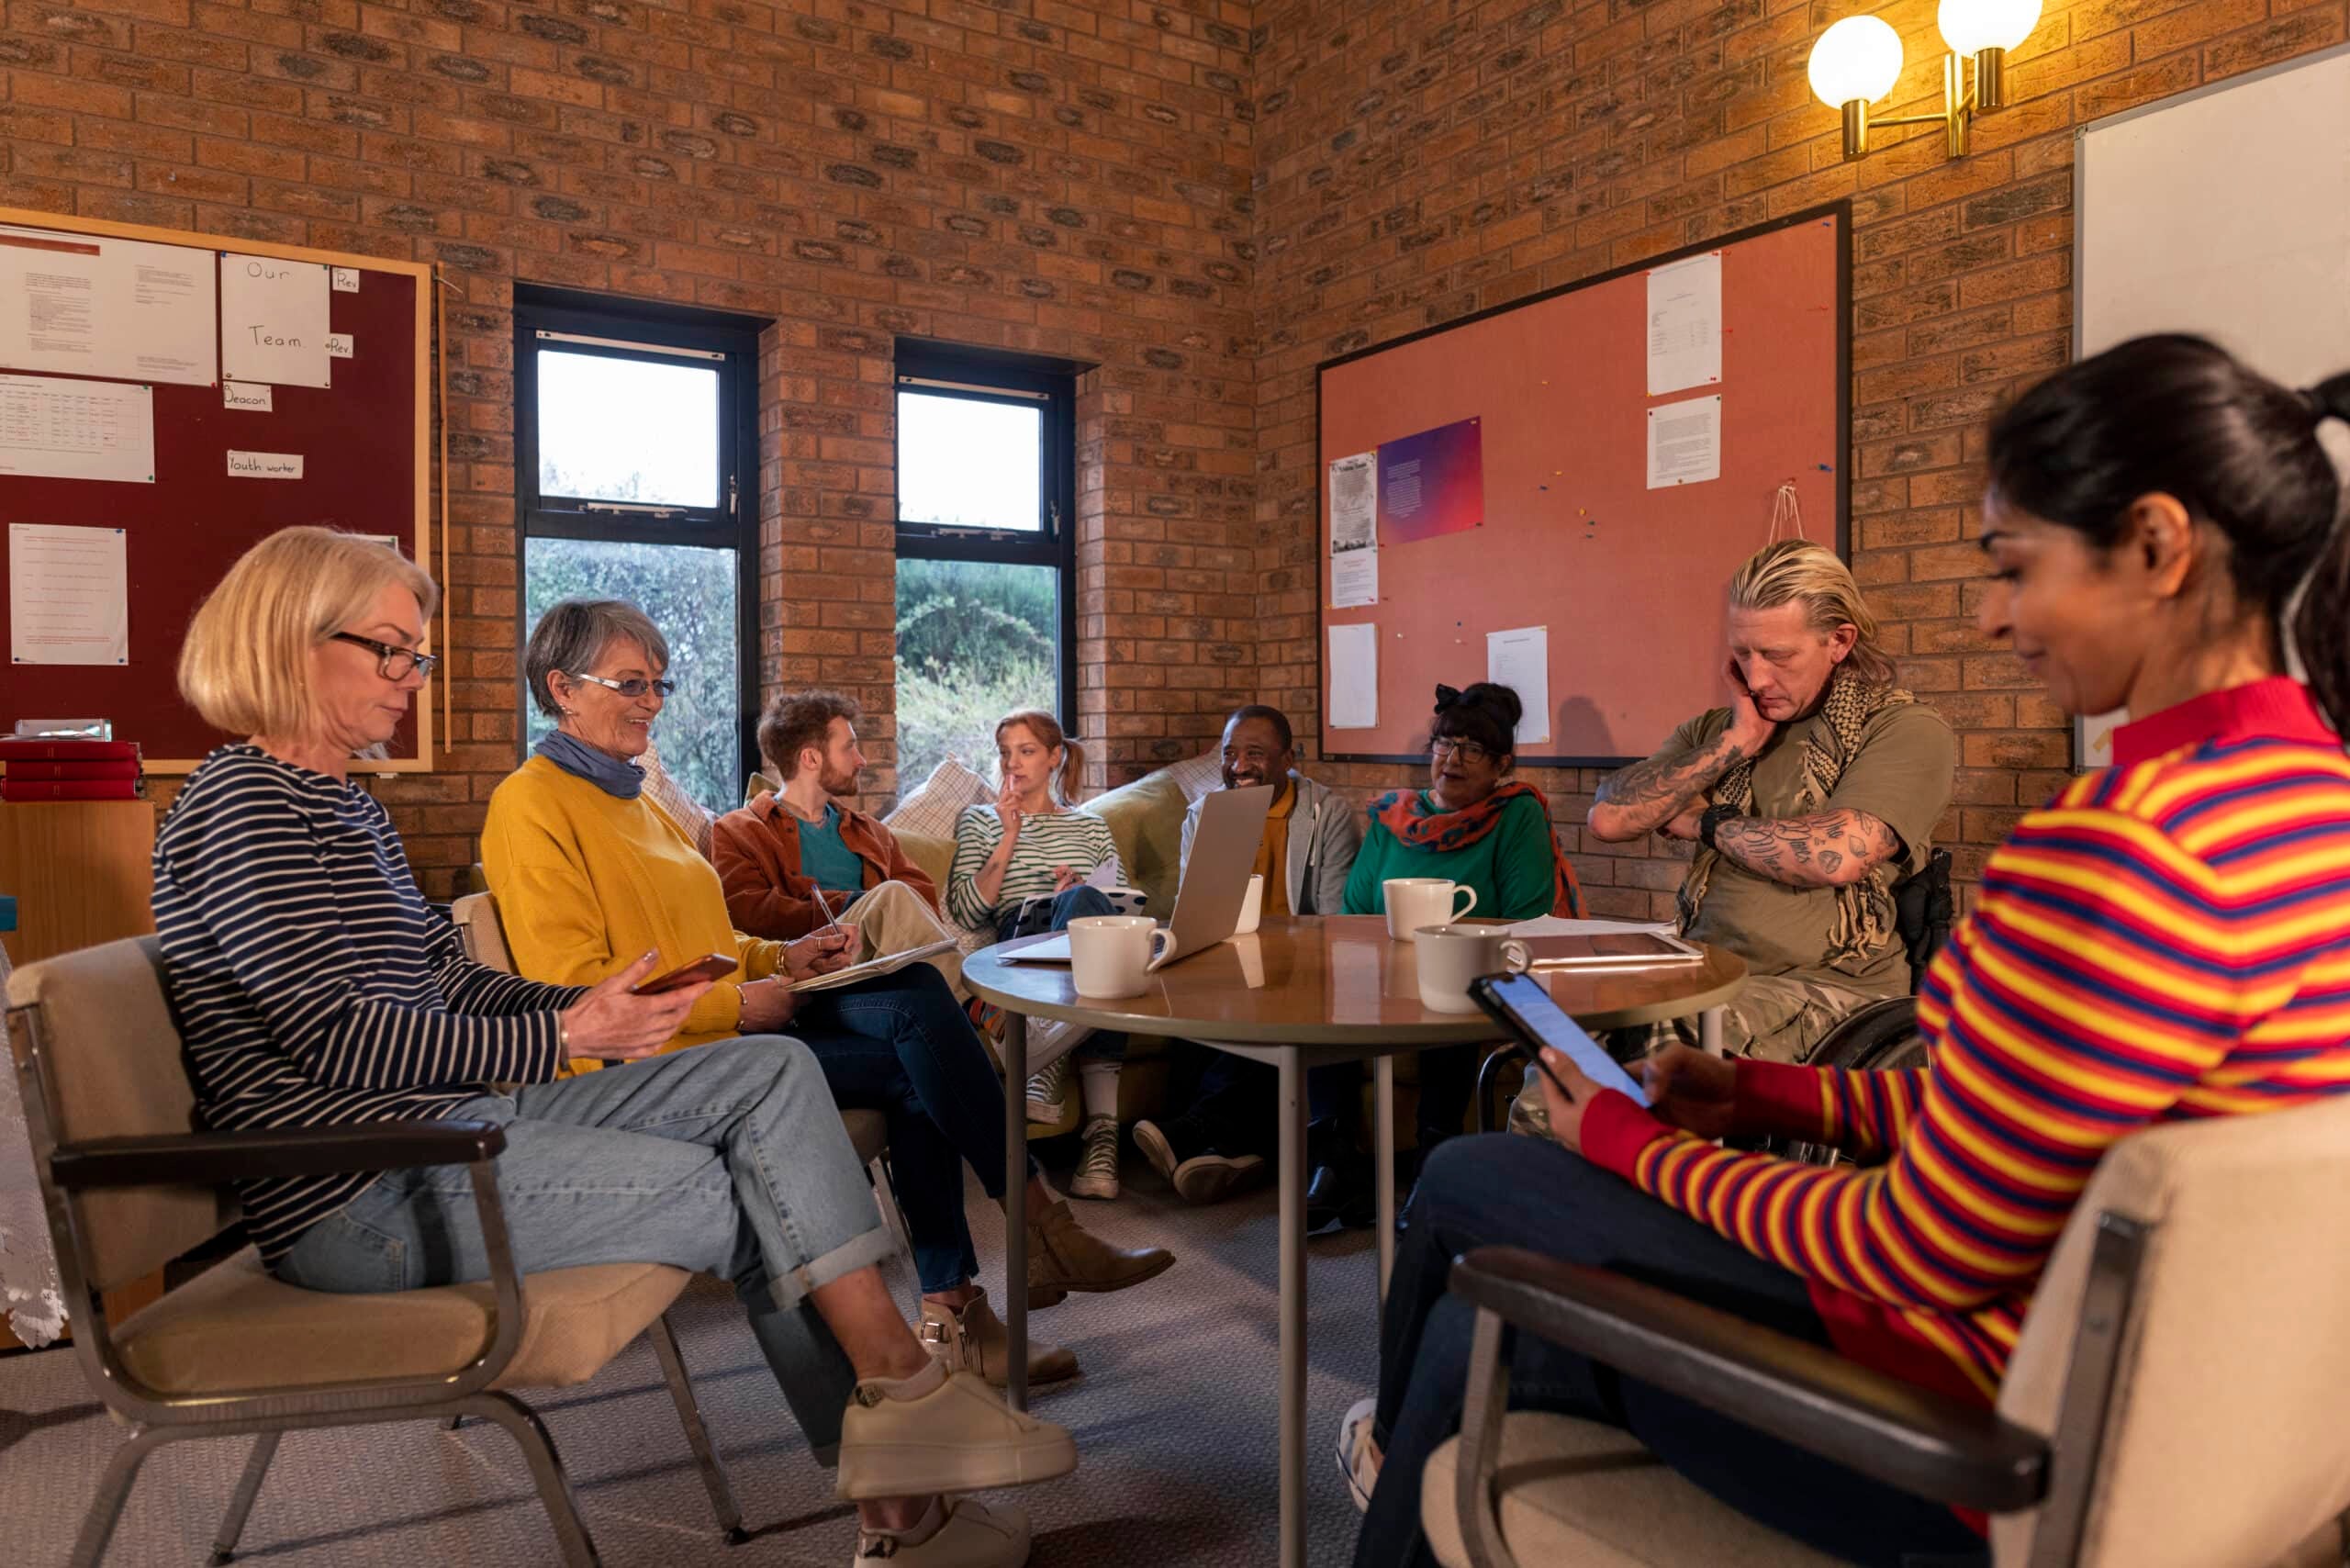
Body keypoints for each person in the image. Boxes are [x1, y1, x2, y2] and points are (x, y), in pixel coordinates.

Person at [1346, 337, 2350, 1568]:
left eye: (2015, 568)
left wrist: (1626, 1141)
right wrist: (1776, 1093)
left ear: (2154, 545)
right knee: (1470, 1335)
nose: (1992, 617)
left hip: (1961, 1447)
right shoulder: (2310, 809)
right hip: (2204, 1443)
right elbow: (2043, 1114)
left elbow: (1914, 1248)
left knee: (1467, 1199)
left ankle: (1396, 1462)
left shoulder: (2119, 856)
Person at [152, 529, 1074, 1568]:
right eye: (391, 651)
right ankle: (903, 1472)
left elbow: (442, 978)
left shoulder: (342, 806)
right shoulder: (243, 806)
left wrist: (580, 1004)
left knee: (770, 1075)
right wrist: (562, 1032)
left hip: (444, 1132)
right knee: (755, 1179)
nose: (412, 677)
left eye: (416, 653)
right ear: (286, 640)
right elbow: (328, 1036)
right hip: (353, 1192)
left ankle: (902, 1431)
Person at [483, 602, 1171, 1394]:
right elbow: (578, 993)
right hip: (662, 1062)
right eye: (632, 683)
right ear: (561, 687)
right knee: (922, 1037)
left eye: (659, 683)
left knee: (915, 999)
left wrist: (787, 955)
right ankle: (1016, 1254)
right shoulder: (529, 806)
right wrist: (739, 1007)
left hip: (728, 1027)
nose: (654, 701)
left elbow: (712, 943)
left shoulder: (637, 801)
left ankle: (979, 1289)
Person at [1582, 540, 1956, 1070]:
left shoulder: (1902, 729)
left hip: (1830, 993)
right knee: (1558, 1032)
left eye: (1778, 656)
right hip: (1702, 968)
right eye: (1742, 654)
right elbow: (1609, 817)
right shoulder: (1716, 730)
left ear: (1840, 641)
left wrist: (1704, 822)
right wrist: (1735, 743)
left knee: (1640, 1044)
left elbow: (1833, 854)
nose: (1756, 679)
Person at [1308, 682, 1584, 1230]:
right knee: (1325, 997)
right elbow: (1355, 911)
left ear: (1501, 763)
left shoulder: (1515, 814)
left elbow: (1526, 918)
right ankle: (1335, 1159)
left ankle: (1434, 1165)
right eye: (1443, 744)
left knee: (1449, 998)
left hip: (1477, 974)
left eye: (1472, 750)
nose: (1452, 760)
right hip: (1385, 972)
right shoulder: (1393, 817)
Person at [1130, 703, 1362, 1203]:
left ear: (1288, 758)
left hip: (1304, 964)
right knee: (1204, 1003)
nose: (1239, 766)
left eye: (1255, 754)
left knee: (1275, 1012)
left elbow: (1334, 917)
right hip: (1229, 959)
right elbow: (1201, 912)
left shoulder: (1328, 814)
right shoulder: (1205, 814)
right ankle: (1232, 1151)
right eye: (1230, 753)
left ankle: (1199, 1131)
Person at [946, 710, 1135, 1200]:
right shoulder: (980, 821)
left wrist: (1080, 896)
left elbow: (1124, 905)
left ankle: (1090, 1123)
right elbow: (967, 912)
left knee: (1097, 920)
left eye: (1026, 751)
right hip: (1021, 935)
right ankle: (1078, 1101)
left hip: (1087, 935)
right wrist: (1009, 834)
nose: (1013, 763)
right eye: (1005, 752)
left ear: (1054, 757)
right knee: (1086, 924)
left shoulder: (1091, 827)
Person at [712, 689, 959, 975]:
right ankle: (980, 1004)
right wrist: (851, 904)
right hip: (811, 967)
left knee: (897, 902)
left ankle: (980, 1007)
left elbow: (922, 900)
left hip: (884, 961)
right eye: (849, 748)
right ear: (811, 759)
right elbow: (747, 914)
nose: (861, 760)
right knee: (891, 895)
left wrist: (871, 910)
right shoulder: (740, 831)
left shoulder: (870, 831)